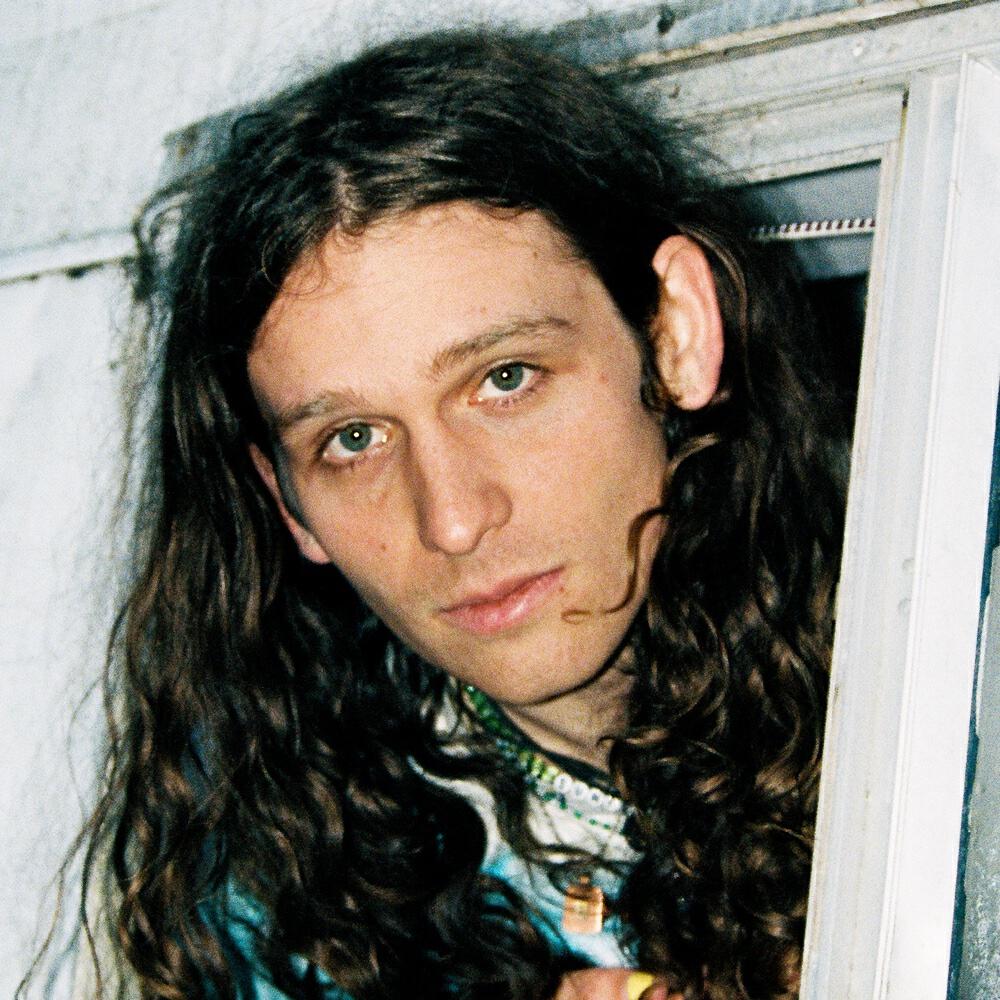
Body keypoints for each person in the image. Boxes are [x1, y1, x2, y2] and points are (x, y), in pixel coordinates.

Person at [38, 27, 846, 1000]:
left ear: (675, 332)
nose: (453, 519)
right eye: (353, 439)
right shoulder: (280, 890)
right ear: (287, 503)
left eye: (505, 379)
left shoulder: (930, 674)